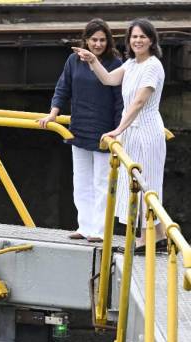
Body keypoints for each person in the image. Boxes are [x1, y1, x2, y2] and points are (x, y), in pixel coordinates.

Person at [73, 18, 167, 250]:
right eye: (134, 36)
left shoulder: (153, 65)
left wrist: (117, 130)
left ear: (152, 40)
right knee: (136, 183)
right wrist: (93, 60)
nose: (138, 40)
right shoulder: (131, 64)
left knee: (146, 183)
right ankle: (161, 236)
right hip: (131, 133)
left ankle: (144, 241)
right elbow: (108, 79)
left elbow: (138, 102)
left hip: (146, 131)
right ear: (128, 40)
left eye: (142, 36)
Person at [39, 19, 123, 243]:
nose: (97, 44)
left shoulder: (115, 63)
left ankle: (100, 230)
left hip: (104, 131)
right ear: (85, 40)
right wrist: (53, 113)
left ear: (108, 41)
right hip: (79, 128)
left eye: (102, 40)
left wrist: (117, 130)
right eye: (94, 40)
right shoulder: (73, 60)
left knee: (102, 183)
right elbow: (63, 87)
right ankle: (84, 226)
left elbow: (119, 100)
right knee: (82, 181)